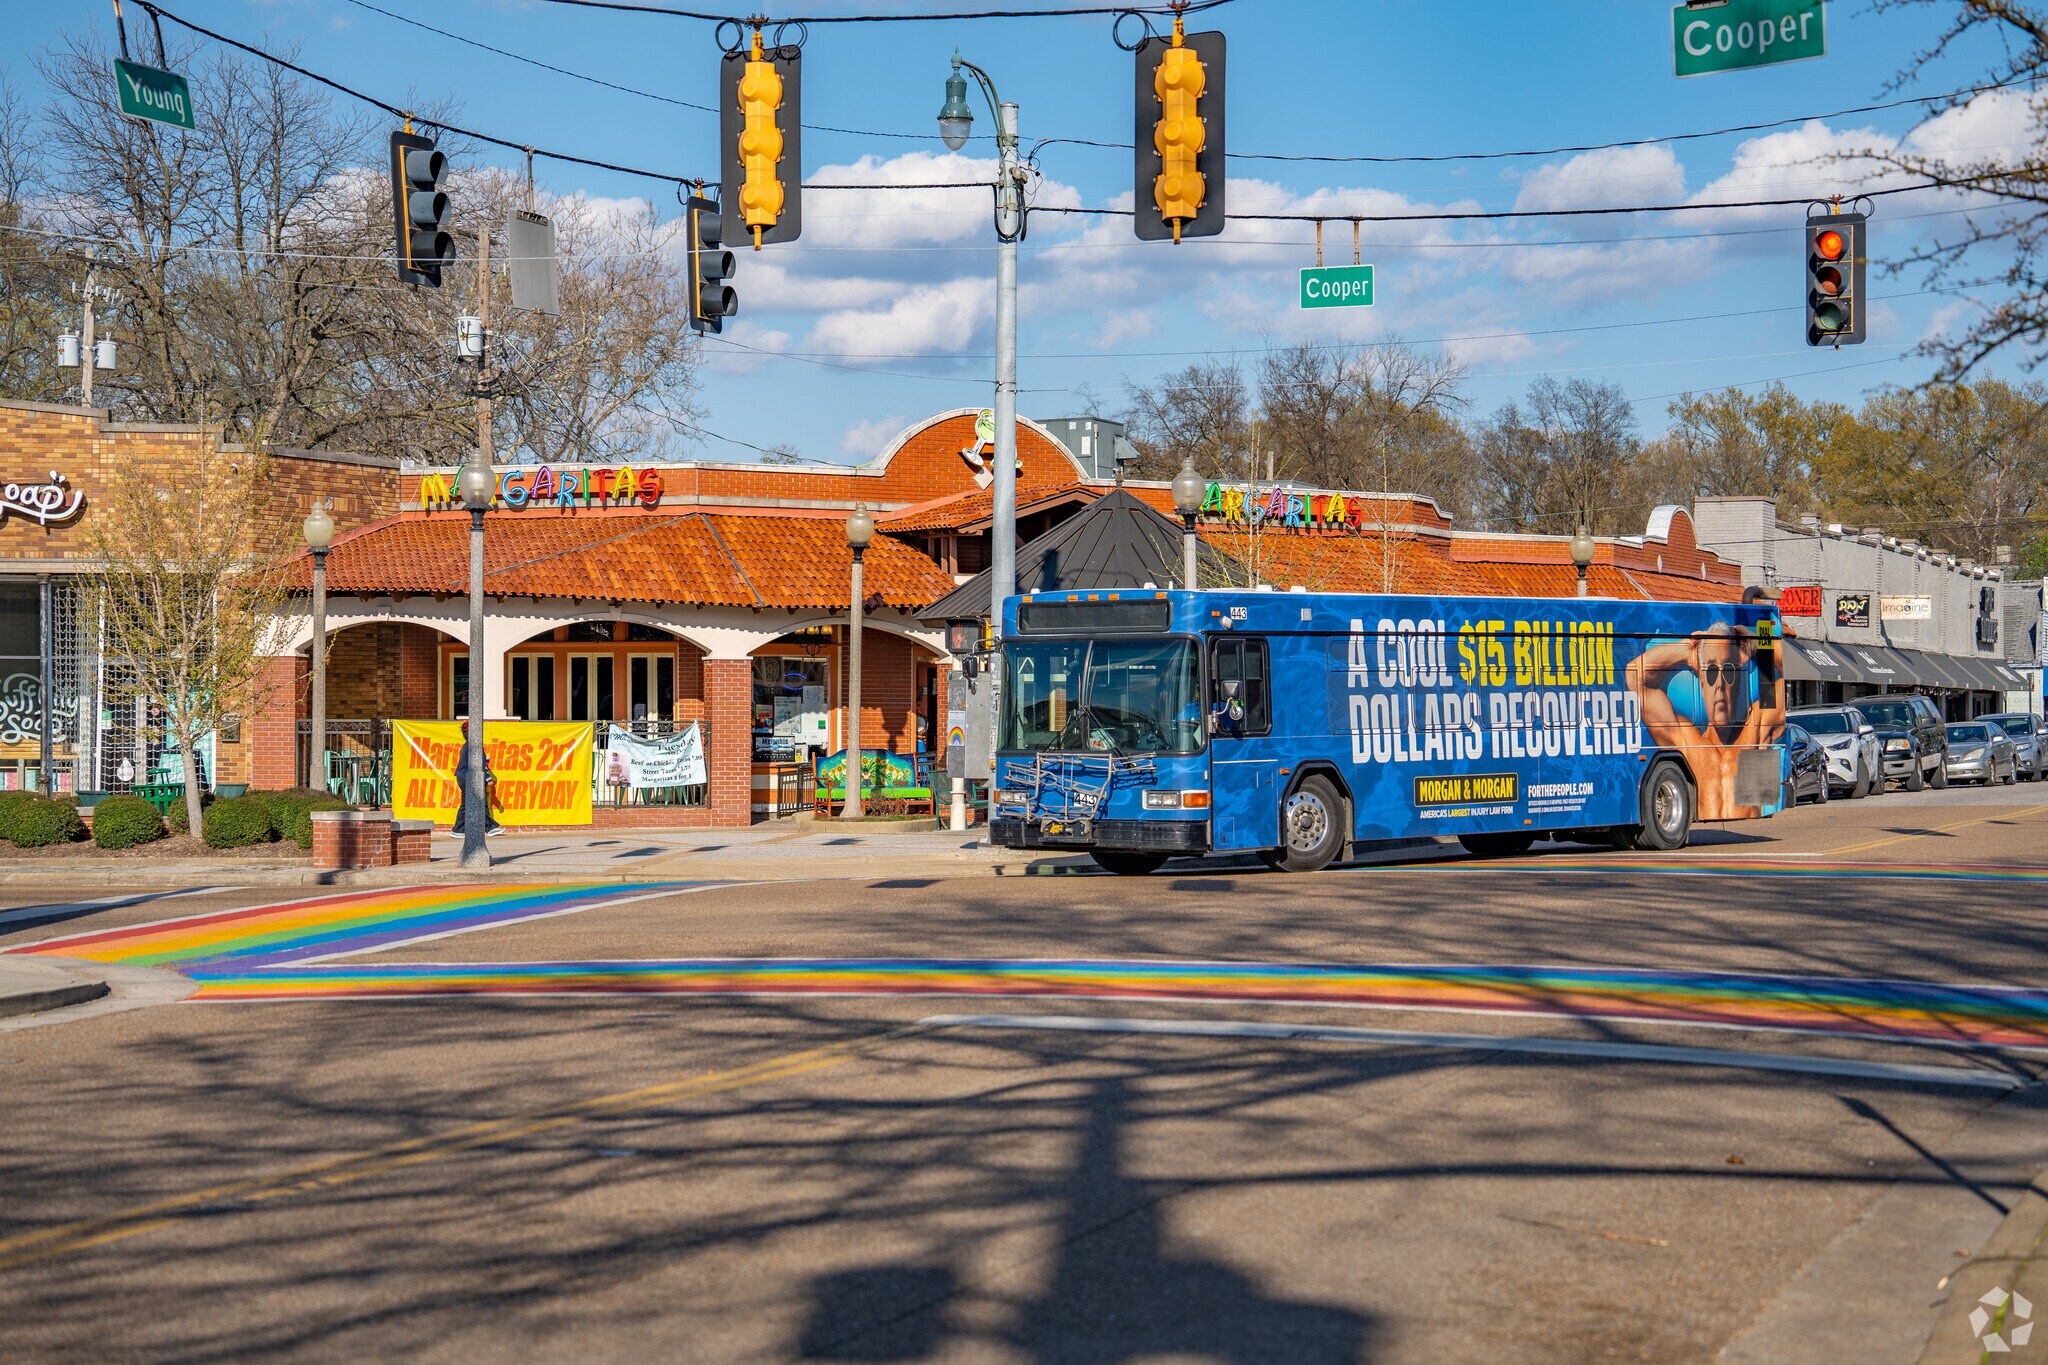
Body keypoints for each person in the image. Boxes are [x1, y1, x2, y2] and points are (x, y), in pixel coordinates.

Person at [1626, 622, 1786, 820]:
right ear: (1701, 684)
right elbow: (1634, 676)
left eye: (1728, 671)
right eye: (1711, 672)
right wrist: (1687, 650)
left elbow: (1793, 672)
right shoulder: (1687, 742)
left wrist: (1757, 641)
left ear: (1738, 679)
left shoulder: (1757, 730)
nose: (1719, 684)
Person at [451, 719, 504, 837]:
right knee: (476, 802)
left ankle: (488, 828)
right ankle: (487, 828)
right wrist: (488, 779)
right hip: (468, 778)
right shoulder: (475, 746)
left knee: (478, 802)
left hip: (465, 777)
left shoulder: (468, 745)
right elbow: (480, 763)